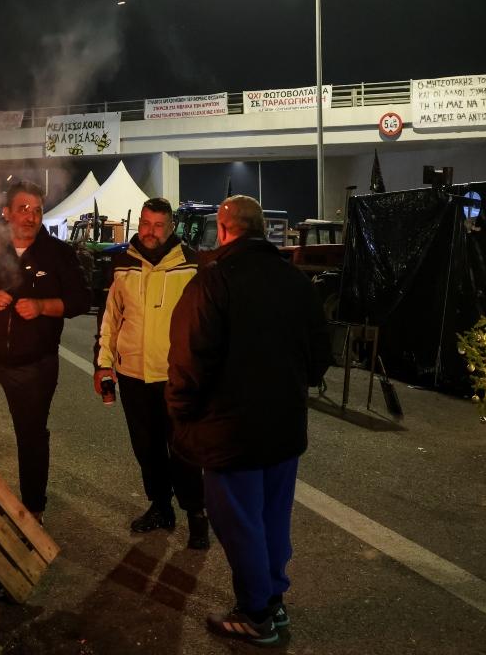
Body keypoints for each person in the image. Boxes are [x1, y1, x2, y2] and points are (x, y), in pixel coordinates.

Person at [166, 195, 331, 645]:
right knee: (272, 518)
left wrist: (180, 412)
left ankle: (256, 613)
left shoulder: (212, 281)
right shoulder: (295, 281)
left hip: (229, 432)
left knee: (238, 523)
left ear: (223, 228)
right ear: (262, 230)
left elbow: (188, 358)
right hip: (282, 430)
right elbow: (321, 357)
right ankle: (273, 598)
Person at [0, 181, 90, 521]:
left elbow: (80, 301)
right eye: (23, 209)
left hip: (33, 362)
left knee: (31, 436)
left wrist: (43, 305)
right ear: (7, 212)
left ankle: (34, 509)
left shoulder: (58, 253)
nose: (30, 217)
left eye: (36, 210)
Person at [93, 198, 209, 549]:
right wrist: (103, 364)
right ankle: (161, 508)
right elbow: (110, 318)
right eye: (146, 223)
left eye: (159, 225)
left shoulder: (190, 265)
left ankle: (196, 515)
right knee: (147, 449)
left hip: (176, 377)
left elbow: (205, 323)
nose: (150, 231)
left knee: (183, 451)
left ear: (171, 227)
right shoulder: (122, 264)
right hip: (132, 375)